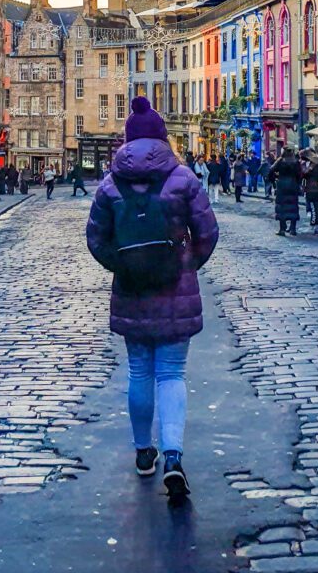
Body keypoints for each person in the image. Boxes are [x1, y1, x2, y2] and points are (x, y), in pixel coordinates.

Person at [85, 96, 219, 500]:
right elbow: (208, 233)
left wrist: (123, 265)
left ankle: (145, 452)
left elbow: (96, 239)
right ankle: (173, 457)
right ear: (162, 138)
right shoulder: (183, 178)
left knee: (140, 372)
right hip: (175, 290)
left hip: (132, 290)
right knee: (172, 374)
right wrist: (186, 262)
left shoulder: (110, 184)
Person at [270, 147, 302, 236]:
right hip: (293, 185)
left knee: (282, 208)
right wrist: (298, 183)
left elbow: (271, 171)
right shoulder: (296, 162)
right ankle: (292, 229)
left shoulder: (280, 161)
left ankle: (282, 229)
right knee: (293, 207)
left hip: (282, 186)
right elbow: (300, 174)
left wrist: (274, 182)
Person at [300, 148, 318, 234]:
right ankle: (316, 225)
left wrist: (304, 168)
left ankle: (315, 225)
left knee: (314, 207)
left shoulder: (313, 165)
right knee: (315, 206)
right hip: (315, 188)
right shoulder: (317, 164)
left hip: (312, 188)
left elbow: (305, 174)